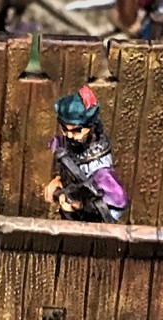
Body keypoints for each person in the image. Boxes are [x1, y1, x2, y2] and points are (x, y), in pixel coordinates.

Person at [42, 85, 128, 223]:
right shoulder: (65, 143)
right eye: (65, 129)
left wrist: (80, 206)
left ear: (91, 128)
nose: (70, 135)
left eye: (77, 130)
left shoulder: (100, 171)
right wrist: (57, 179)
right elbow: (61, 161)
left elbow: (114, 207)